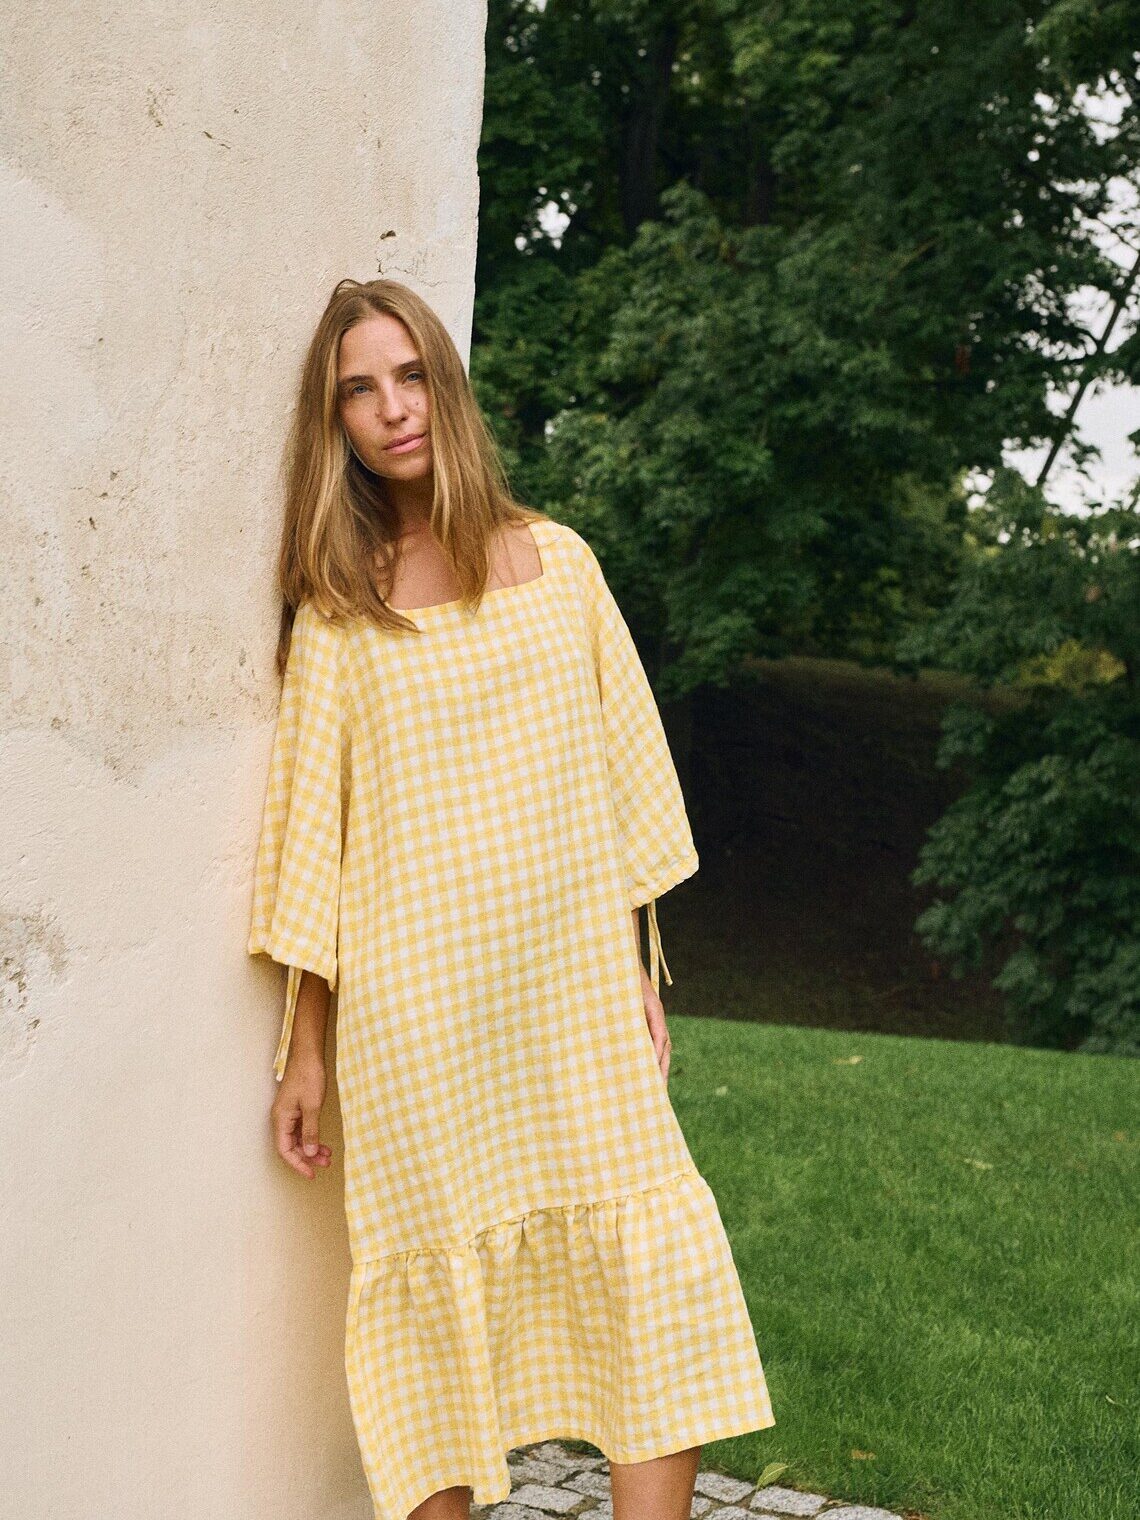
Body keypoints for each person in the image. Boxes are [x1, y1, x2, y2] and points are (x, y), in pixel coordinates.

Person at [247, 277, 775, 1520]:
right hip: (416, 1019)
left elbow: (624, 776)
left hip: (565, 988)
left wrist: (641, 971)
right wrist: (305, 1049)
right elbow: (308, 844)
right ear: (337, 427)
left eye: (410, 374)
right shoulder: (343, 608)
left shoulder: (564, 564)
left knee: (654, 1274)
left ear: (447, 380)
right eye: (358, 392)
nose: (392, 410)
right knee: (429, 1313)